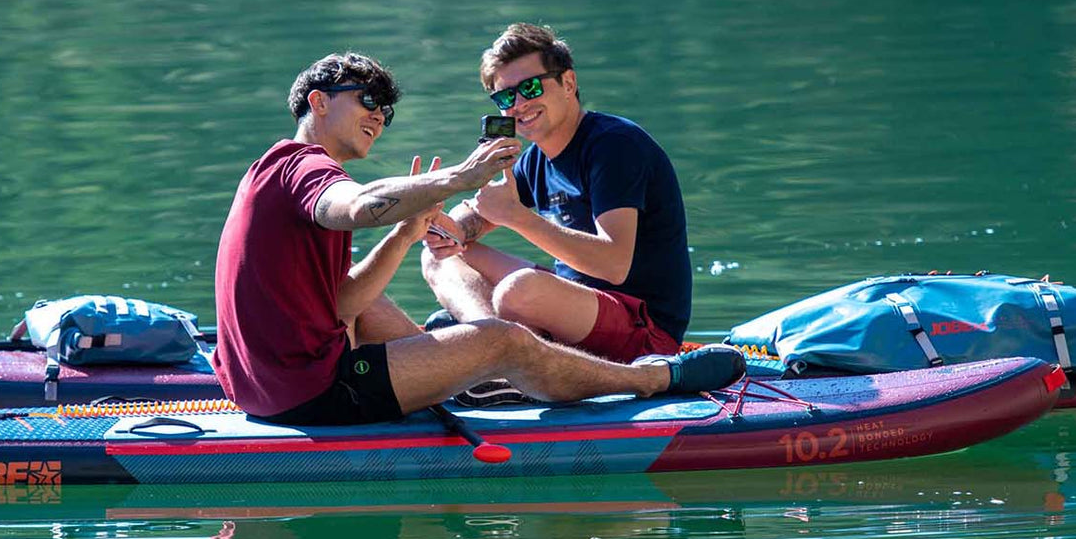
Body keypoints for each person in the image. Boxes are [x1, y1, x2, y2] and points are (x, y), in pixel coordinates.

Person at [213, 50, 741, 426]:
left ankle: (469, 373)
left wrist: (406, 232)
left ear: (568, 83)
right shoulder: (304, 168)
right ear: (318, 102)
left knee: (381, 304)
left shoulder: (276, 170)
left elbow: (344, 304)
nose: (379, 114)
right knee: (501, 338)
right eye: (367, 98)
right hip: (314, 393)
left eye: (386, 109)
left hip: (264, 390)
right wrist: (456, 180)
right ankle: (652, 380)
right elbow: (351, 207)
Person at [421, 21, 693, 363]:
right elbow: (476, 215)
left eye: (531, 88)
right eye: (506, 96)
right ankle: (490, 342)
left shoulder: (614, 146)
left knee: (519, 291)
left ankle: (496, 348)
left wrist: (518, 218)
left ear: (568, 83)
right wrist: (446, 225)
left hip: (644, 329)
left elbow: (614, 266)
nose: (519, 103)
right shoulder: (535, 159)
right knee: (439, 257)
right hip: (578, 307)